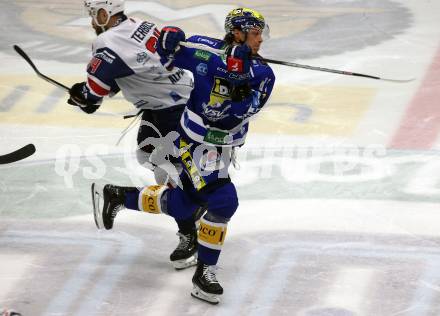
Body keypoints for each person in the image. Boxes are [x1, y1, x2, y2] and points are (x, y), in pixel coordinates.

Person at [92, 7, 275, 304]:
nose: (260, 41)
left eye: (260, 34)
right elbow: (161, 52)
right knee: (223, 200)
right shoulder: (205, 51)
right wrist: (168, 40)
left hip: (224, 147)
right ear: (237, 32)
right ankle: (204, 275)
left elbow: (245, 109)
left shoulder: (263, 73)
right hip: (195, 141)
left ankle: (118, 196)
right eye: (255, 33)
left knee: (186, 202)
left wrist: (238, 76)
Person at [69, 0, 202, 269]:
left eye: (95, 16)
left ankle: (189, 232)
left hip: (174, 113)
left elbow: (93, 96)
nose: (93, 22)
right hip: (172, 105)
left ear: (105, 14)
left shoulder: (106, 41)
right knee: (157, 164)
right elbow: (126, 73)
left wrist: (80, 95)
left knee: (183, 179)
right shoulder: (141, 24)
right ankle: (184, 217)